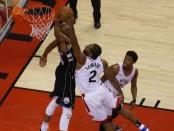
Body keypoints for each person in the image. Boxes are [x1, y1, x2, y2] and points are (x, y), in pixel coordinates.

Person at [66, 15, 149, 130]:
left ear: (90, 54)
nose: (88, 45)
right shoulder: (102, 62)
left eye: (90, 46)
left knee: (105, 123)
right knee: (120, 109)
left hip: (91, 96)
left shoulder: (81, 60)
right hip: (102, 90)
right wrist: (120, 92)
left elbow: (74, 42)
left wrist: (71, 26)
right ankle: (143, 127)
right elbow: (112, 79)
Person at [39, 7, 76, 131]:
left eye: (67, 24)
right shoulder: (64, 40)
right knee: (67, 107)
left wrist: (44, 54)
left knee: (56, 100)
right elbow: (57, 37)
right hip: (67, 74)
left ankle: (44, 127)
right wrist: (56, 21)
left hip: (62, 71)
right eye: (63, 25)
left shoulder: (64, 37)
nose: (65, 26)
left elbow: (51, 44)